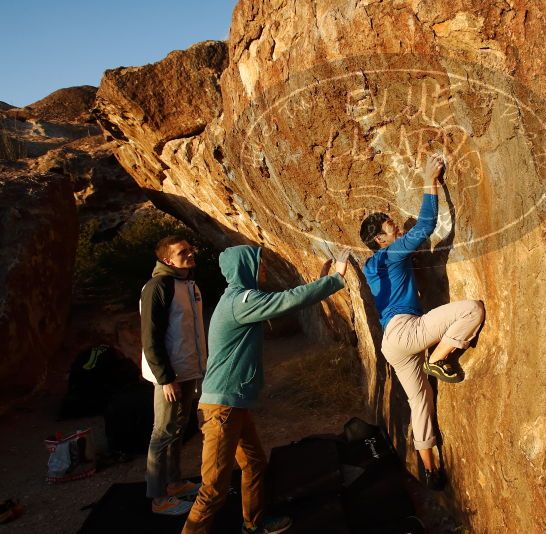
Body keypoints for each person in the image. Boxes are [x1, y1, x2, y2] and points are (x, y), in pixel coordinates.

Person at [183, 245, 349, 534]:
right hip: (221, 409)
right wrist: (335, 279)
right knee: (213, 488)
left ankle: (254, 523)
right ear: (243, 268)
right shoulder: (241, 301)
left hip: (232, 404)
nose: (263, 270)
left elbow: (283, 301)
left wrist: (319, 281)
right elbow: (286, 302)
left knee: (255, 464)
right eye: (258, 265)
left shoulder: (239, 299)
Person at [359, 154, 485, 490]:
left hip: (392, 343)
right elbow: (428, 228)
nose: (395, 225)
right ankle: (439, 358)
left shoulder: (372, 265)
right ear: (380, 240)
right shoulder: (392, 254)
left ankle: (429, 468)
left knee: (421, 401)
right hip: (407, 331)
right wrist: (430, 181)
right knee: (472, 309)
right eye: (388, 225)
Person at [140, 235, 207, 515]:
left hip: (189, 368)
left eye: (190, 249)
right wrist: (165, 378)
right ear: (168, 260)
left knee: (178, 429)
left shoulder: (188, 284)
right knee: (163, 432)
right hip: (170, 374)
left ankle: (174, 483)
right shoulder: (158, 287)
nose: (190, 254)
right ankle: (158, 499)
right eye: (183, 252)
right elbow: (150, 336)